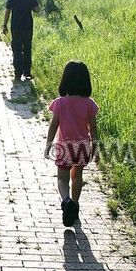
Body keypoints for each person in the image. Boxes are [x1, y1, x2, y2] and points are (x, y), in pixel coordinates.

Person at [44, 61, 99, 227]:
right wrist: (96, 149)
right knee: (77, 177)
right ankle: (74, 205)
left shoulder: (60, 103)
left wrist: (48, 144)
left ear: (65, 80)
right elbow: (93, 129)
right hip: (82, 146)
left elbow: (54, 125)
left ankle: (66, 201)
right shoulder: (89, 104)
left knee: (62, 178)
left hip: (64, 146)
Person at [2, 0, 40, 80]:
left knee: (17, 49)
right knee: (27, 48)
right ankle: (27, 72)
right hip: (27, 26)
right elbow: (37, 10)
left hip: (15, 26)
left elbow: (7, 11)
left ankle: (17, 73)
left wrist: (4, 25)